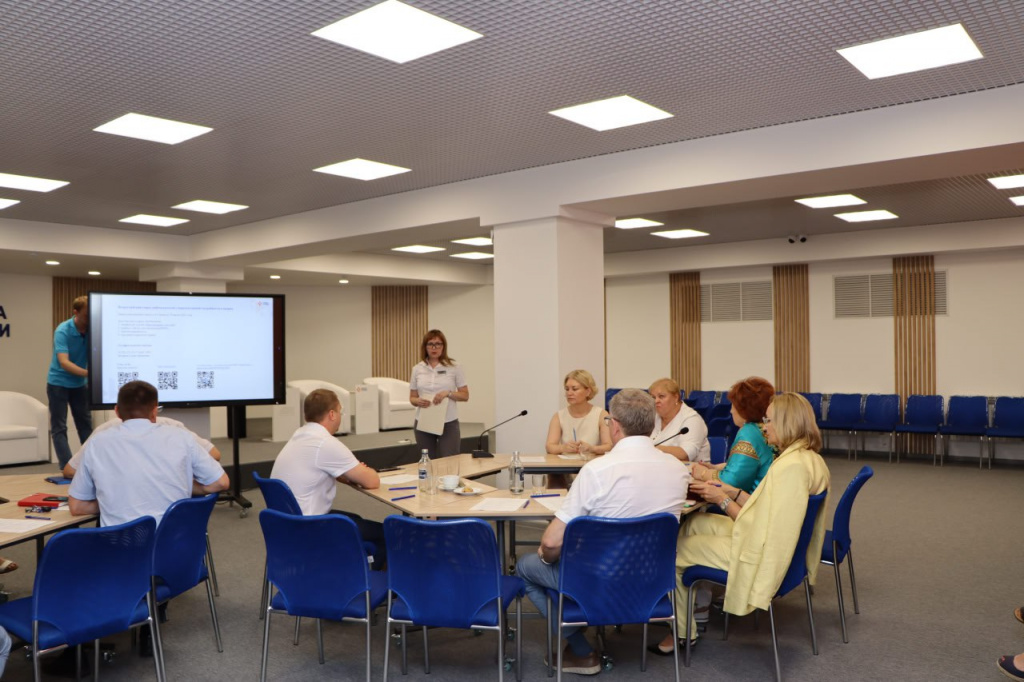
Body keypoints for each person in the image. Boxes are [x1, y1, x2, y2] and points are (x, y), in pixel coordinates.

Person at [518, 388, 691, 675]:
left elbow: (551, 542)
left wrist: (547, 558)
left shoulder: (597, 470)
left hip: (596, 579)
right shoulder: (677, 469)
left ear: (615, 425)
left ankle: (581, 650)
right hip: (652, 581)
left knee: (525, 567)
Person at [654, 392, 830, 654]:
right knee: (693, 524)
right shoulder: (807, 457)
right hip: (763, 538)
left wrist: (722, 500)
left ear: (787, 423)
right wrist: (731, 491)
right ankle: (696, 606)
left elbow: (768, 529)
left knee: (674, 553)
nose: (764, 427)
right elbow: (768, 509)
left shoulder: (790, 468)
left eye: (769, 421)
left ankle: (681, 633)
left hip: (757, 552)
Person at [68, 380, 229, 527]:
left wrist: (108, 501)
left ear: (117, 411)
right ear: (154, 411)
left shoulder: (97, 443)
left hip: (121, 552)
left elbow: (76, 506)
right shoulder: (181, 437)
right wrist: (190, 487)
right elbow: (221, 483)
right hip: (174, 549)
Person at [270, 388, 385, 566]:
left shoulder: (299, 436)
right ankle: (373, 586)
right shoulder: (325, 443)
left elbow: (322, 469)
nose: (340, 415)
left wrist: (347, 473)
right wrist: (359, 473)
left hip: (284, 524)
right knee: (384, 532)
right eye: (340, 411)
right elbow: (372, 481)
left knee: (356, 519)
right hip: (310, 526)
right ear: (332, 414)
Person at [63, 415, 222, 479]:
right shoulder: (174, 428)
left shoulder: (105, 432)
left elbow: (70, 470)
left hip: (120, 531)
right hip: (173, 531)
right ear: (154, 410)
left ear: (118, 410)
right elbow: (214, 458)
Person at [690, 377, 776, 493]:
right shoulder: (767, 428)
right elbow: (754, 466)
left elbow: (731, 482)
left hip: (751, 505)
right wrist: (720, 467)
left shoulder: (748, 432)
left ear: (743, 409)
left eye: (733, 405)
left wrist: (703, 473)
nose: (731, 411)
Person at [47, 295, 93, 470]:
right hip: (58, 383)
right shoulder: (63, 330)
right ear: (76, 312)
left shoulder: (92, 329)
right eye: (86, 316)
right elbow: (64, 362)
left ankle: (89, 464)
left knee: (85, 425)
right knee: (59, 426)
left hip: (79, 384)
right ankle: (66, 467)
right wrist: (90, 374)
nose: (89, 320)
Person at [409, 330, 469, 458]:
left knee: (449, 462)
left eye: (438, 344)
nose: (434, 348)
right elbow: (412, 398)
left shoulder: (454, 367)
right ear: (425, 347)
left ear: (444, 346)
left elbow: (465, 395)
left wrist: (448, 393)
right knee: (427, 462)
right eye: (430, 344)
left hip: (448, 421)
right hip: (424, 421)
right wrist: (417, 401)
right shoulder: (417, 369)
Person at [546, 369, 612, 457]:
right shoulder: (558, 416)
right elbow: (549, 446)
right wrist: (563, 448)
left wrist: (592, 449)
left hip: (592, 465)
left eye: (574, 389)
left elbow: (609, 446)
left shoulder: (601, 414)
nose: (569, 393)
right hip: (565, 467)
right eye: (567, 389)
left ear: (588, 391)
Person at [649, 378, 710, 462]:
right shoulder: (653, 417)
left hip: (691, 472)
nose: (656, 401)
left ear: (676, 397)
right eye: (653, 397)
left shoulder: (692, 419)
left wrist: (650, 448)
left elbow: (685, 454)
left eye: (661, 396)